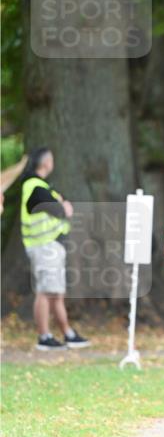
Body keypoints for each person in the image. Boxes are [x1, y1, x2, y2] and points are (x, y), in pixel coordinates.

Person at [20, 148, 90, 350]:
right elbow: (61, 210)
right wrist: (63, 206)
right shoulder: (35, 187)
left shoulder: (40, 187)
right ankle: (44, 337)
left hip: (50, 247)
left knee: (56, 293)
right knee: (45, 291)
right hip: (43, 246)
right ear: (46, 163)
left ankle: (67, 334)